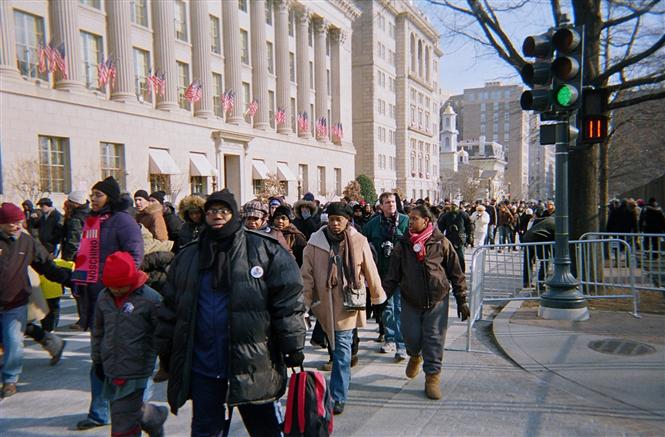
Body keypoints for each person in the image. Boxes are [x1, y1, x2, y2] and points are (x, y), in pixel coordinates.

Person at [154, 189, 306, 437]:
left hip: (253, 362)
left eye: (224, 210)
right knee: (205, 428)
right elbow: (171, 307)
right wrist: (166, 351)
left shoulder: (263, 249)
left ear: (235, 214)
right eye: (212, 210)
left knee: (264, 428)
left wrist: (293, 345)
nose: (218, 216)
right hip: (205, 364)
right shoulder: (189, 256)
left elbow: (288, 300)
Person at [301, 202, 386, 415]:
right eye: (331, 219)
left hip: (348, 303)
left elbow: (370, 269)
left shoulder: (359, 241)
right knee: (334, 348)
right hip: (324, 305)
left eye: (339, 219)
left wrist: (378, 297)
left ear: (348, 220)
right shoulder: (315, 243)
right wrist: (304, 305)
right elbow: (306, 276)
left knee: (342, 349)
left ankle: (338, 396)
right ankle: (338, 387)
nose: (335, 223)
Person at [74, 177, 144, 431]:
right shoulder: (91, 221)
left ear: (110, 198)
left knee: (122, 356)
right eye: (92, 194)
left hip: (117, 298)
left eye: (98, 194)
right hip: (95, 298)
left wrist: (122, 288)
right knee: (99, 356)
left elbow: (135, 255)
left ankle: (136, 406)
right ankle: (99, 412)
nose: (93, 198)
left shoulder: (123, 221)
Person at [383, 205, 469, 400]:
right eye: (410, 218)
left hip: (437, 299)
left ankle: (432, 377)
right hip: (410, 298)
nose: (410, 221)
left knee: (434, 339)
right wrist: (382, 297)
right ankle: (414, 355)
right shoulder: (402, 245)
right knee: (411, 336)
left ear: (426, 221)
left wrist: (462, 299)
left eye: (414, 218)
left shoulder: (442, 243)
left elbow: (456, 273)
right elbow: (392, 276)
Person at [92, 251, 168, 437]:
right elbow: (98, 331)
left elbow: (164, 335)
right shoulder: (103, 297)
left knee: (122, 420)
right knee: (128, 410)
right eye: (112, 287)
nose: (116, 290)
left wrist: (167, 363)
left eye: (121, 286)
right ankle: (153, 416)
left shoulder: (150, 300)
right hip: (111, 364)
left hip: (137, 367)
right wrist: (97, 360)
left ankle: (147, 419)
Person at [0, 202, 72, 398]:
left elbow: (45, 265)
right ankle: (53, 343)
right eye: (12, 223)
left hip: (16, 299)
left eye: (19, 222)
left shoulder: (26, 241)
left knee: (13, 339)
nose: (17, 226)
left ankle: (10, 379)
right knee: (16, 333)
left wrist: (67, 279)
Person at [363, 192, 409, 359]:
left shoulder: (405, 221)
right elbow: (363, 243)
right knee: (386, 308)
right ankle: (389, 338)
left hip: (401, 273)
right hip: (382, 273)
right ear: (380, 206)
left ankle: (401, 345)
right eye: (387, 202)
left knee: (399, 308)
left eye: (393, 202)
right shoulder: (373, 224)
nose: (391, 204)